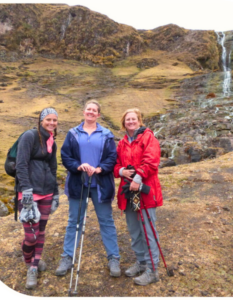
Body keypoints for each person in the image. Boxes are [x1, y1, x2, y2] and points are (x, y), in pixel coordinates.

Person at [55, 100, 121, 277]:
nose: (91, 112)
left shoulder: (106, 134)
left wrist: (100, 168)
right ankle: (67, 257)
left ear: (98, 114)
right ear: (84, 112)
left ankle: (113, 258)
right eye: (88, 109)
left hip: (100, 185)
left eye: (94, 110)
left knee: (106, 221)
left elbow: (112, 157)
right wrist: (79, 166)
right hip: (79, 184)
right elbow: (65, 155)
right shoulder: (73, 133)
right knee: (73, 222)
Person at [114, 108, 163, 286]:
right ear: (123, 123)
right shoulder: (122, 143)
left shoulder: (148, 137)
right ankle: (141, 262)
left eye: (134, 119)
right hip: (129, 193)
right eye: (128, 120)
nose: (131, 122)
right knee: (134, 229)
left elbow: (152, 160)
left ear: (139, 121)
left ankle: (152, 269)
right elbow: (116, 165)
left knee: (148, 230)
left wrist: (138, 177)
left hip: (144, 190)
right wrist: (121, 171)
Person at [16, 108, 59, 289]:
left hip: (47, 192)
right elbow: (21, 165)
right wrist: (26, 192)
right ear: (41, 120)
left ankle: (34, 267)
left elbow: (53, 168)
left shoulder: (52, 142)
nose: (51, 123)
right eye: (48, 119)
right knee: (30, 236)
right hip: (28, 193)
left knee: (41, 230)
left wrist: (56, 192)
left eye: (55, 120)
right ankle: (29, 260)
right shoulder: (29, 136)